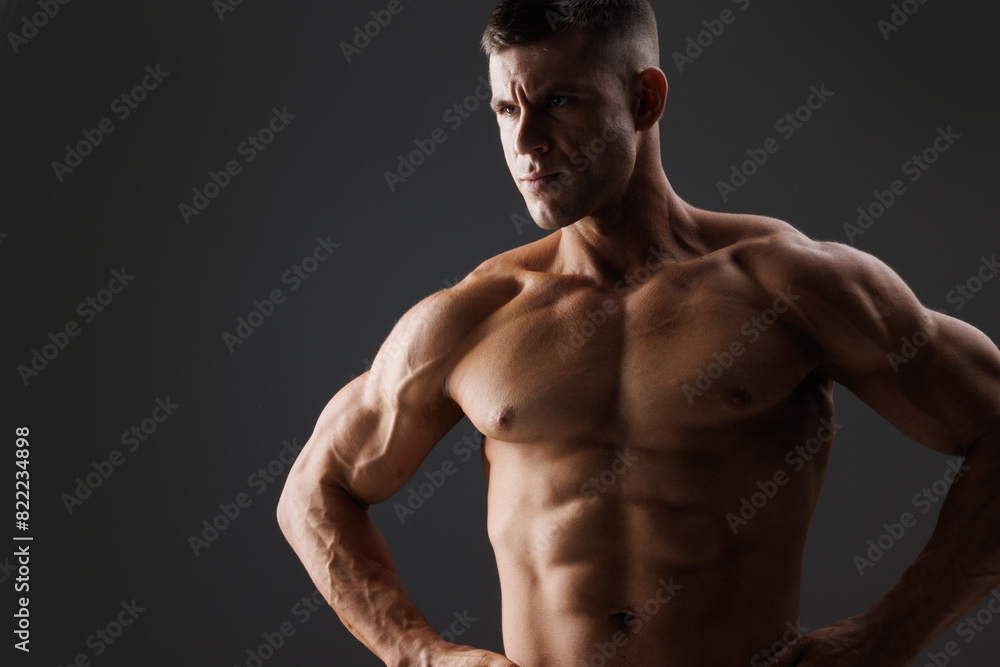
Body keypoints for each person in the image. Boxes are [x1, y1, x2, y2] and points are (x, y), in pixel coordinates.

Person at [277, 1, 1000, 665]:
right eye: (505, 108)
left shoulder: (788, 285)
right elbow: (314, 490)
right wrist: (419, 654)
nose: (526, 140)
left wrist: (885, 636)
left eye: (558, 101)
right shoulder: (474, 315)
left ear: (644, 99)